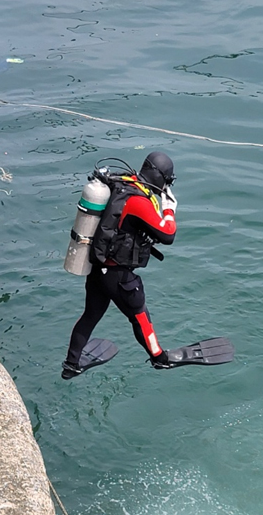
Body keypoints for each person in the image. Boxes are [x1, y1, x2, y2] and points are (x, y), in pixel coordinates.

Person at [63, 150, 180, 376]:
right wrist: (168, 209)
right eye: (166, 183)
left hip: (98, 267)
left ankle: (71, 364)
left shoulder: (123, 184)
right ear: (160, 178)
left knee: (91, 314)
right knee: (140, 315)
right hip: (118, 274)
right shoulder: (139, 201)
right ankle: (159, 358)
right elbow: (167, 235)